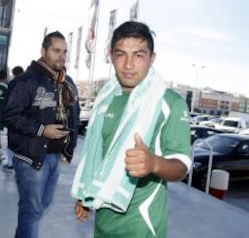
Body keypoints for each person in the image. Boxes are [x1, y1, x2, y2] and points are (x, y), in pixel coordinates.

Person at [72, 21, 192, 238]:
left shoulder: (169, 103)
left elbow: (182, 166)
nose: (128, 64)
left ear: (151, 58)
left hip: (141, 226)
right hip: (103, 220)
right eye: (121, 54)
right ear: (111, 55)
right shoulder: (105, 99)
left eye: (138, 55)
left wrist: (154, 163)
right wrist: (85, 193)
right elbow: (97, 154)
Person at [1, 31, 80, 238]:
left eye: (64, 52)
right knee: (32, 210)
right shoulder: (26, 81)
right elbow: (8, 116)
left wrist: (68, 149)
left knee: (40, 206)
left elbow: (73, 116)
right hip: (30, 157)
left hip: (54, 156)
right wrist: (42, 130)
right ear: (43, 51)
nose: (61, 56)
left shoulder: (67, 82)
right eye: (56, 50)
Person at [2, 65, 25, 172]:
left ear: (14, 74)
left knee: (11, 141)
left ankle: (11, 164)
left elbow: (7, 102)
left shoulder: (12, 84)